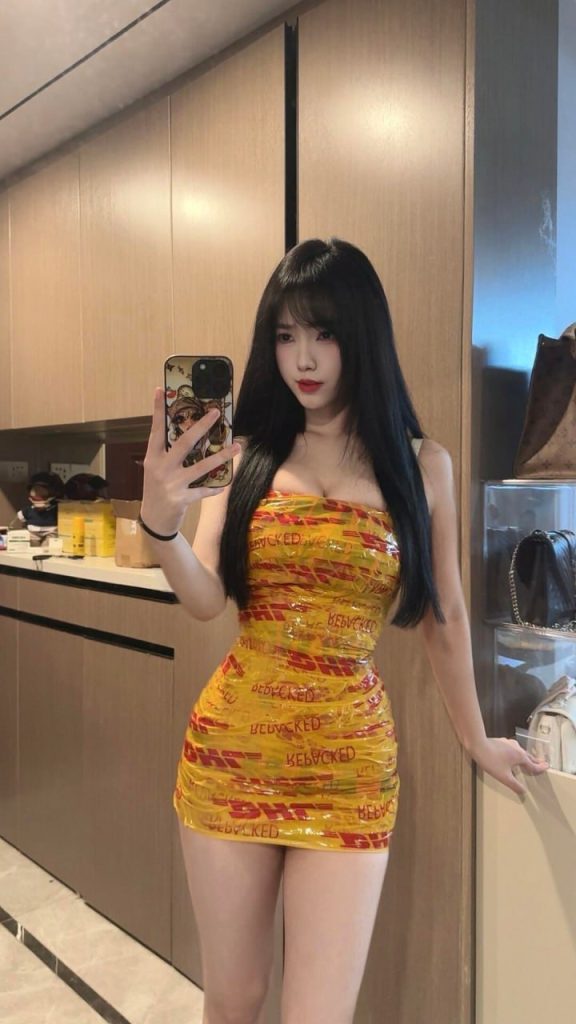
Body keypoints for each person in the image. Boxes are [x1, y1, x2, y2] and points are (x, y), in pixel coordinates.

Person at [140, 238, 548, 1024]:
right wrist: (160, 527)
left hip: (350, 767)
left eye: (324, 333)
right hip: (234, 751)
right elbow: (205, 598)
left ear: (361, 334)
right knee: (234, 997)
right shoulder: (245, 456)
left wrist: (475, 739)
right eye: (285, 334)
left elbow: (445, 615)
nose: (303, 357)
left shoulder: (421, 465)